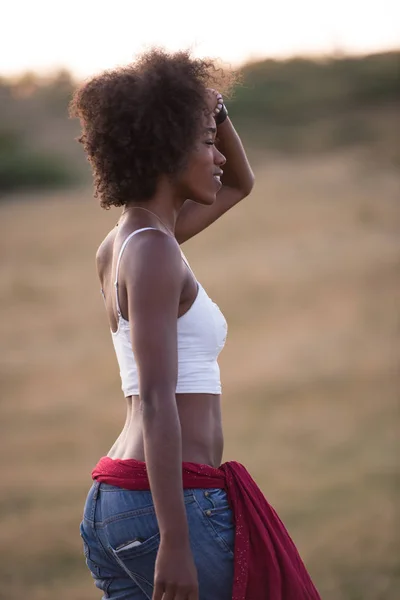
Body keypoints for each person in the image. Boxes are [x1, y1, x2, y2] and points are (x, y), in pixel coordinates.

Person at [70, 49, 321, 600]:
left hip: (118, 501)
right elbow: (159, 400)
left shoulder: (126, 242)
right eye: (206, 143)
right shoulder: (155, 250)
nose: (219, 158)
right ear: (164, 149)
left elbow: (241, 184)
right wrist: (175, 543)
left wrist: (216, 111)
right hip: (167, 504)